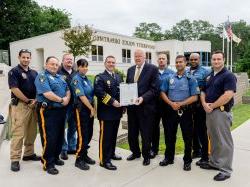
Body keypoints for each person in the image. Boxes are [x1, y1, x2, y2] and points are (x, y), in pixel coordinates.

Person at [200, 50, 236, 181]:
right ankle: (215, 163)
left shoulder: (228, 76)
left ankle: (226, 170)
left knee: (224, 141)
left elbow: (228, 95)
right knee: (214, 139)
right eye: (214, 59)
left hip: (221, 112)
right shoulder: (210, 75)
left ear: (224, 60)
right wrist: (204, 103)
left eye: (218, 59)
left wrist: (212, 105)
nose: (216, 61)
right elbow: (203, 90)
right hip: (209, 111)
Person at [160, 55, 199, 171]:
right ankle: (169, 158)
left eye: (180, 62)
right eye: (176, 62)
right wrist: (171, 104)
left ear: (185, 63)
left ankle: (187, 161)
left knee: (187, 137)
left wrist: (180, 104)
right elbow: (162, 92)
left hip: (186, 112)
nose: (178, 64)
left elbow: (195, 97)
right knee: (169, 136)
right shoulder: (169, 77)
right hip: (171, 111)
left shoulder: (191, 79)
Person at [35, 56, 71, 175]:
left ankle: (55, 157)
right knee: (49, 137)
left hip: (60, 111)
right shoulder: (42, 76)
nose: (54, 66)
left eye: (56, 65)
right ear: (46, 65)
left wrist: (67, 99)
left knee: (59, 136)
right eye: (52, 64)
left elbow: (68, 90)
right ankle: (48, 163)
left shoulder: (61, 77)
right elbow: (47, 93)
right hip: (48, 111)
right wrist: (62, 100)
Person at [8, 49, 40, 172]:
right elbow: (14, 88)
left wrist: (35, 100)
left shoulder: (34, 73)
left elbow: (39, 87)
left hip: (33, 105)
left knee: (31, 132)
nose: (26, 59)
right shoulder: (14, 72)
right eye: (24, 57)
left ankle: (28, 154)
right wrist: (27, 101)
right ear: (19, 57)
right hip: (20, 105)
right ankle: (15, 159)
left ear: (30, 58)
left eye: (28, 57)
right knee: (18, 132)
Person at [126, 49, 159, 166]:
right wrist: (125, 100)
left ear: (145, 57)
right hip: (132, 109)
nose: (137, 58)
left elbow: (155, 89)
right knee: (132, 133)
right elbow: (128, 88)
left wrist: (143, 98)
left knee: (146, 134)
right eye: (135, 56)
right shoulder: (130, 70)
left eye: (140, 56)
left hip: (146, 108)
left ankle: (146, 156)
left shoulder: (153, 69)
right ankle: (135, 152)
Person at [94, 55, 123, 170]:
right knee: (105, 137)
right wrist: (112, 102)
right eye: (109, 62)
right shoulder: (100, 77)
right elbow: (99, 93)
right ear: (105, 64)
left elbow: (121, 92)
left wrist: (125, 102)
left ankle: (111, 154)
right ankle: (104, 160)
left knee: (113, 136)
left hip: (117, 112)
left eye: (113, 62)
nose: (111, 64)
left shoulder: (118, 77)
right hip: (106, 113)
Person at [70, 59, 96, 170]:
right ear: (78, 67)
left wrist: (93, 108)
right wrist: (91, 108)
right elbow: (81, 96)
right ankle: (79, 159)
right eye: (83, 66)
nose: (85, 68)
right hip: (81, 110)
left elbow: (92, 93)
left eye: (86, 66)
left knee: (89, 134)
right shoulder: (76, 79)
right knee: (82, 135)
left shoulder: (86, 79)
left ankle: (84, 155)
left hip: (89, 109)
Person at [186, 53, 211, 164]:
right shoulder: (186, 71)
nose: (193, 61)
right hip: (189, 105)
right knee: (192, 130)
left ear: (199, 59)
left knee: (201, 131)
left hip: (200, 106)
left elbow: (208, 87)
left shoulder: (206, 71)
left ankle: (205, 156)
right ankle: (196, 151)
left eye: (195, 59)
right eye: (191, 59)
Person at [150, 53, 174, 159]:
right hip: (154, 105)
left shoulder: (172, 73)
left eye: (163, 59)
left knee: (168, 130)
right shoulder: (152, 72)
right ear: (157, 60)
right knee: (154, 128)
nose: (161, 60)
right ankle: (154, 150)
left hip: (167, 105)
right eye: (159, 59)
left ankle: (168, 153)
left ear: (167, 60)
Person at [58, 53, 77, 160]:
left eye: (71, 59)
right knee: (62, 127)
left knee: (72, 127)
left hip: (74, 105)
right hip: (63, 105)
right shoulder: (58, 72)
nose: (69, 61)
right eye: (67, 59)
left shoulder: (76, 73)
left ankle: (72, 147)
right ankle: (63, 149)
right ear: (63, 61)